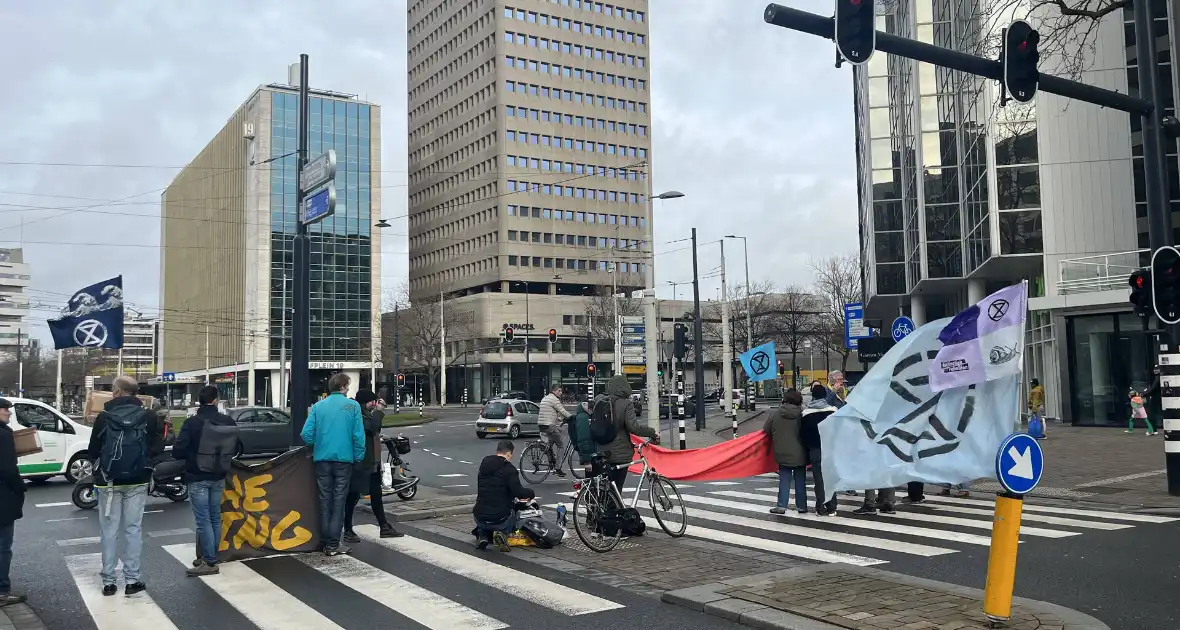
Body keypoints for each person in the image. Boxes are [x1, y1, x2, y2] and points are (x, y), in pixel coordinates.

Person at [87, 375, 160, 596]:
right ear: (135, 393)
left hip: (108, 481)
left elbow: (92, 450)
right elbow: (156, 446)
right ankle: (132, 580)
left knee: (109, 531)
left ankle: (109, 582)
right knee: (133, 529)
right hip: (138, 479)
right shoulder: (149, 415)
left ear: (117, 391)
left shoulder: (104, 416)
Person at [172, 385, 237, 576]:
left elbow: (178, 450)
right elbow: (236, 446)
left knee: (203, 520)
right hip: (219, 475)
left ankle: (209, 561)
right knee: (215, 517)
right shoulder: (227, 421)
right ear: (216, 400)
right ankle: (211, 555)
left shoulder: (192, 423)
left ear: (199, 401)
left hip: (197, 475)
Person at [301, 372, 366, 556]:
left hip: (322, 459)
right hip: (344, 460)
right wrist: (358, 457)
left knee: (324, 499)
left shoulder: (318, 406)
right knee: (339, 500)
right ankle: (333, 543)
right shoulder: (352, 406)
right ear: (343, 387)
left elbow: (306, 434)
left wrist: (319, 444)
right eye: (348, 385)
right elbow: (358, 436)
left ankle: (324, 540)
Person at [343, 391, 403, 542]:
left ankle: (384, 526)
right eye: (372, 401)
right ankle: (348, 529)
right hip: (362, 462)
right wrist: (379, 411)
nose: (374, 404)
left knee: (376, 495)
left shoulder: (366, 414)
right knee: (353, 496)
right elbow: (373, 427)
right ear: (364, 402)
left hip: (372, 462)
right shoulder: (358, 415)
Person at [473, 440, 535, 552]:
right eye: (511, 455)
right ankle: (502, 534)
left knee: (487, 508)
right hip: (499, 519)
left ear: (498, 451)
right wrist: (531, 493)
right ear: (509, 453)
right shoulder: (509, 469)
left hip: (479, 517)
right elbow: (519, 493)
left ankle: (483, 535)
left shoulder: (484, 465)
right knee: (514, 512)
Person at [601, 375, 659, 493]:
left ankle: (604, 508)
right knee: (617, 488)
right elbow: (634, 428)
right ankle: (614, 510)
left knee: (606, 488)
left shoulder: (601, 402)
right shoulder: (625, 404)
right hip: (619, 453)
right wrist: (652, 432)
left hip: (600, 450)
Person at [764, 389, 808, 514]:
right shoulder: (803, 414)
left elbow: (766, 430)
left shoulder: (775, 414)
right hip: (800, 452)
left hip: (781, 452)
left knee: (784, 479)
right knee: (800, 480)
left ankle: (782, 505)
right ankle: (802, 506)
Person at [0, 399, 26, 606]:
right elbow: (8, 468)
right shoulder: (3, 435)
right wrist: (20, 487)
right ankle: (2, 591)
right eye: (5, 409)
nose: (9, 412)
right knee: (3, 546)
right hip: (2, 497)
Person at [803, 384, 837, 515]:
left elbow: (804, 435)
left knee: (819, 480)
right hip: (830, 450)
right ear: (825, 395)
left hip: (815, 450)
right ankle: (832, 508)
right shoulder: (833, 411)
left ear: (813, 396)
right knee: (831, 479)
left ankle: (820, 507)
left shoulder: (806, 414)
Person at [537, 384, 572, 477]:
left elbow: (550, 413)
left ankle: (549, 456)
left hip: (541, 425)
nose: (561, 393)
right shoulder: (554, 399)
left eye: (561, 391)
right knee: (561, 445)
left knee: (551, 442)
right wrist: (571, 417)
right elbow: (562, 411)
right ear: (554, 391)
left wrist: (560, 419)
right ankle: (558, 468)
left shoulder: (545, 398)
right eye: (559, 391)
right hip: (549, 426)